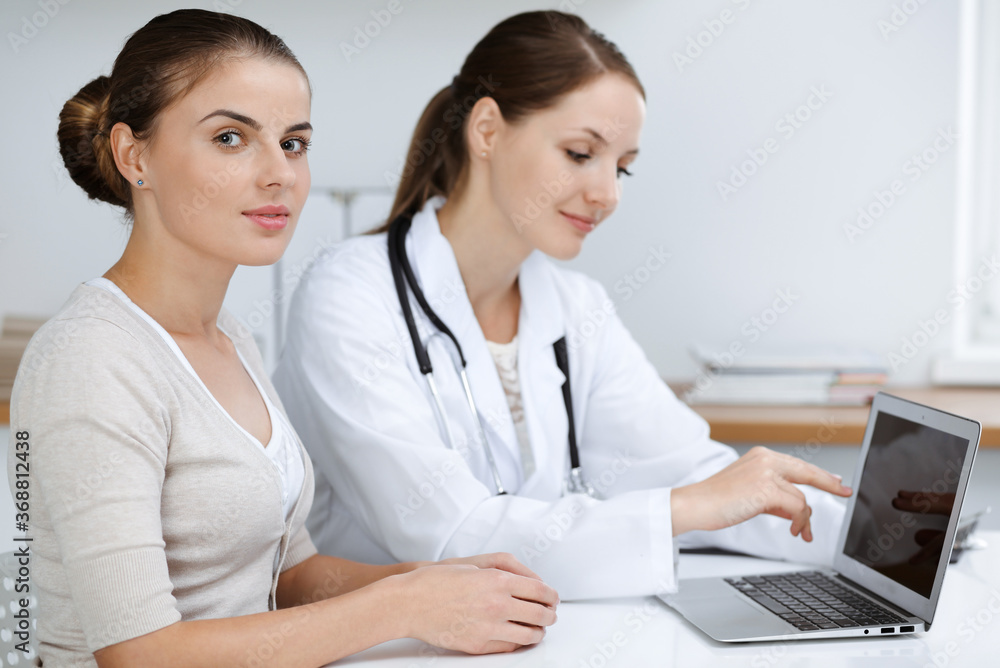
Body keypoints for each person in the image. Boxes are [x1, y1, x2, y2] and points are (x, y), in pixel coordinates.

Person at [7, 10, 557, 667]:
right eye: (231, 138)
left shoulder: (230, 339)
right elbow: (140, 653)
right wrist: (402, 608)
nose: (280, 174)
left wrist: (432, 583)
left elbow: (286, 575)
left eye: (293, 143)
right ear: (135, 156)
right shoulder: (93, 359)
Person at [274, 10, 853, 602]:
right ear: (488, 131)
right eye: (581, 153)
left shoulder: (576, 309)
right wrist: (686, 507)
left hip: (533, 635)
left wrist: (888, 539)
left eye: (623, 167)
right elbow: (453, 541)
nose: (608, 193)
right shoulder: (349, 296)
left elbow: (693, 474)